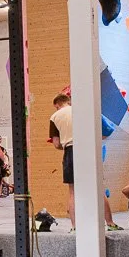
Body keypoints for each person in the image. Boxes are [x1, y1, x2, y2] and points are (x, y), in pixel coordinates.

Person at [48, 92, 75, 226]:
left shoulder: (54, 117)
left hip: (70, 151)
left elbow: (57, 144)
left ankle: (75, 226)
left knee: (72, 192)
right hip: (87, 149)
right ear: (68, 101)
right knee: (97, 187)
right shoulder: (79, 109)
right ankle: (109, 222)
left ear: (57, 104)